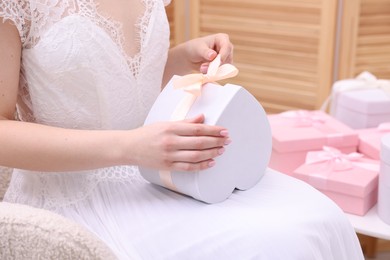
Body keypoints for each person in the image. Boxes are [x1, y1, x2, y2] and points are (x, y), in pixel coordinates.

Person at [0, 1, 364, 259]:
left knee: (322, 218)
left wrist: (179, 58)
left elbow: (114, 84)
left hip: (153, 176)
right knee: (275, 245)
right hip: (72, 197)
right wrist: (129, 147)